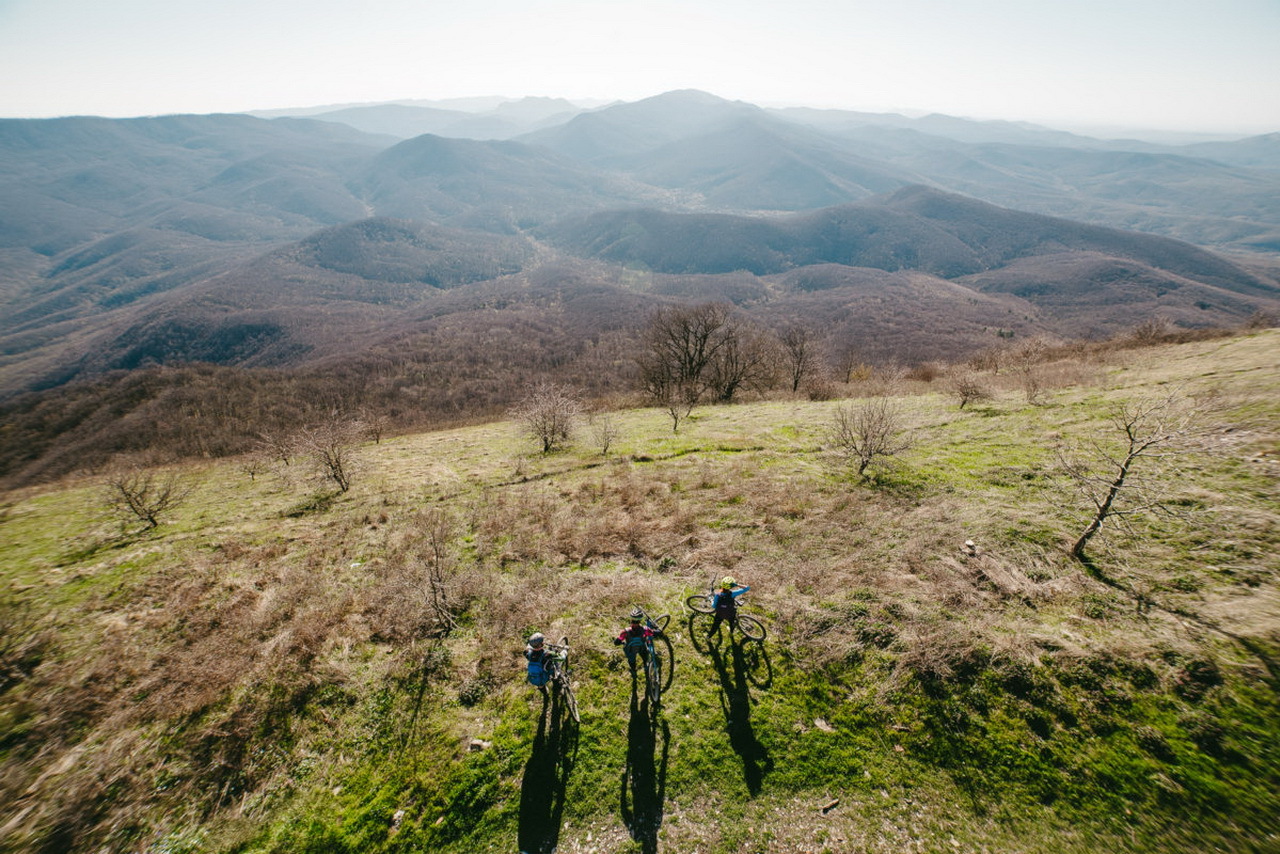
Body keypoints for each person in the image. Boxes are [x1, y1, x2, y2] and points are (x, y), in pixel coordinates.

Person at [613, 607, 654, 673]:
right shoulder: (646, 630)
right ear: (640, 621)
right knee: (644, 656)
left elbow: (617, 642)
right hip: (642, 648)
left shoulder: (625, 632)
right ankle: (646, 666)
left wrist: (618, 642)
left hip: (630, 650)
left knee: (632, 661)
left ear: (630, 620)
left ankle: (633, 670)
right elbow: (653, 633)